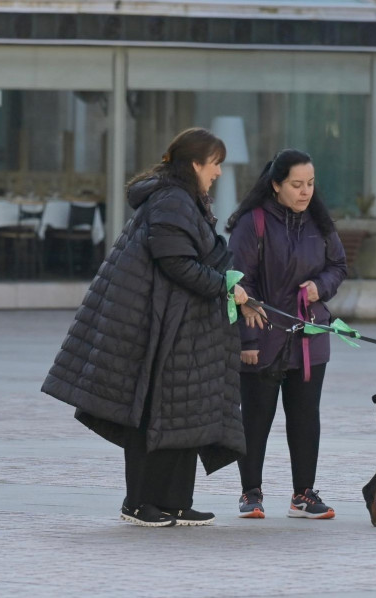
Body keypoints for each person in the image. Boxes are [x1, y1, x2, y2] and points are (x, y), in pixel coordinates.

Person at [41, 127, 251, 527]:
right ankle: (138, 503)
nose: (219, 172)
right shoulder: (172, 200)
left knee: (183, 413)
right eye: (215, 164)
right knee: (150, 413)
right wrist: (224, 285)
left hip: (180, 326)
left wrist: (233, 285)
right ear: (195, 164)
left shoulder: (185, 199)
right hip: (154, 329)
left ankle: (174, 501)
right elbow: (176, 262)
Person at [225, 148, 348, 519]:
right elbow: (236, 282)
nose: (305, 191)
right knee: (256, 418)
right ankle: (251, 492)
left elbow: (338, 265)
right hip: (261, 335)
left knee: (305, 416)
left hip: (309, 334)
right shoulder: (253, 222)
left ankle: (303, 494)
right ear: (276, 184)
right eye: (296, 184)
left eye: (310, 184)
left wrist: (319, 287)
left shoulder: (319, 222)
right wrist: (246, 342)